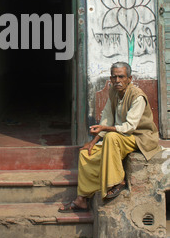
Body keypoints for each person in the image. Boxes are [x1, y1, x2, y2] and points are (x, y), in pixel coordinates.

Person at [59, 61, 161, 212]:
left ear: (129, 78)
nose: (117, 81)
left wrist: (105, 129)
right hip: (120, 136)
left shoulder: (137, 96)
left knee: (111, 137)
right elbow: (107, 118)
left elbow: (129, 127)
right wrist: (93, 142)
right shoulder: (113, 92)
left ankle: (117, 181)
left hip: (139, 137)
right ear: (110, 78)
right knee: (87, 154)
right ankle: (82, 198)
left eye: (121, 77)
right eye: (114, 77)